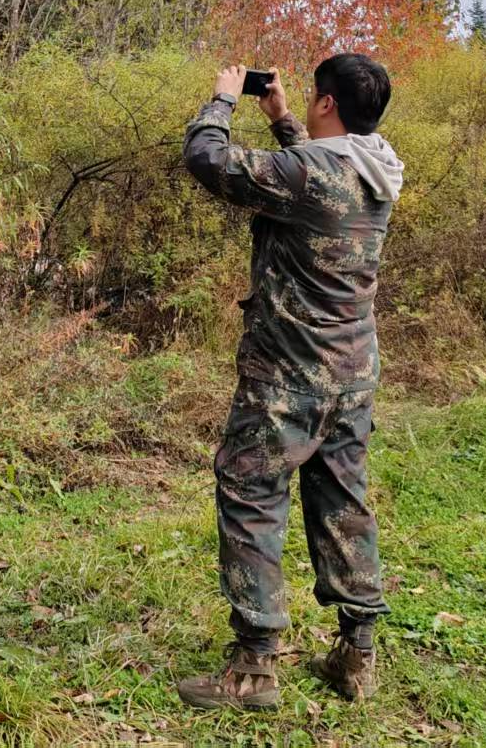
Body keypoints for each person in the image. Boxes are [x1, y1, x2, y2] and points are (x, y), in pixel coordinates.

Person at [175, 54, 403, 711]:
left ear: (327, 103)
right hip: (351, 376)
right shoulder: (376, 168)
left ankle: (253, 667)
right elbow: (314, 175)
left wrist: (222, 100)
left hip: (288, 376)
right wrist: (279, 119)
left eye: (311, 96)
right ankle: (357, 654)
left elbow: (207, 159)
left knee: (250, 494)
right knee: (342, 504)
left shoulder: (310, 174)